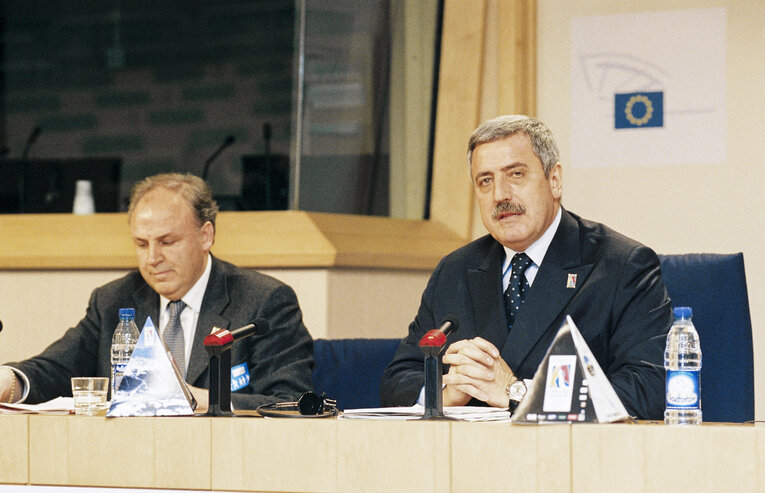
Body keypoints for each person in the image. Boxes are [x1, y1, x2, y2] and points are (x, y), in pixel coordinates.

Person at [380, 115, 672, 420]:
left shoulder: (622, 266)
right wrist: (444, 392)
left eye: (516, 174)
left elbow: (648, 389)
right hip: (470, 459)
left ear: (554, 180)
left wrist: (516, 391)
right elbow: (398, 379)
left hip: (573, 459)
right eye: (485, 181)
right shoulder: (455, 270)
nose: (500, 195)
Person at [0, 173, 313, 410]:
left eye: (167, 242)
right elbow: (55, 368)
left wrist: (189, 398)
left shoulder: (263, 301)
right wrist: (8, 380)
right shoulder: (114, 300)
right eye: (141, 244)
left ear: (206, 236)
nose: (152, 259)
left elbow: (291, 402)